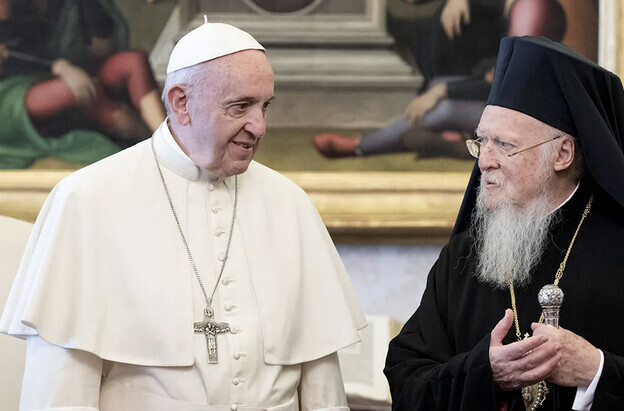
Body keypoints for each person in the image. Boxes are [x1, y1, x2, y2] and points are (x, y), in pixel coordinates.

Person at [0, 21, 366, 409]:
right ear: (180, 103)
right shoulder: (86, 200)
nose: (259, 126)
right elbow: (59, 394)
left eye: (265, 107)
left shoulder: (290, 203)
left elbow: (322, 382)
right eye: (240, 106)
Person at [384, 36, 624, 410]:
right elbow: (405, 375)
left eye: (505, 145)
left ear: (562, 153)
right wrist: (483, 373)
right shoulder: (464, 257)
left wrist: (597, 372)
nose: (484, 161)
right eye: (482, 141)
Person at [314, 0, 566, 160]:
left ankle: (360, 146)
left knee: (443, 103)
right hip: (500, 102)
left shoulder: (533, 7)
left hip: (524, 116)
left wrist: (443, 92)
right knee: (438, 86)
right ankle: (452, 140)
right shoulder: (504, 5)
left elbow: (507, 79)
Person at [0, 0, 165, 169]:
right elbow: (12, 56)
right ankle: (155, 153)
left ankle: (167, 142)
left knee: (133, 61)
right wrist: (59, 67)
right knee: (81, 93)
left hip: (82, 71)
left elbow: (102, 47)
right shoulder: (11, 7)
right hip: (17, 93)